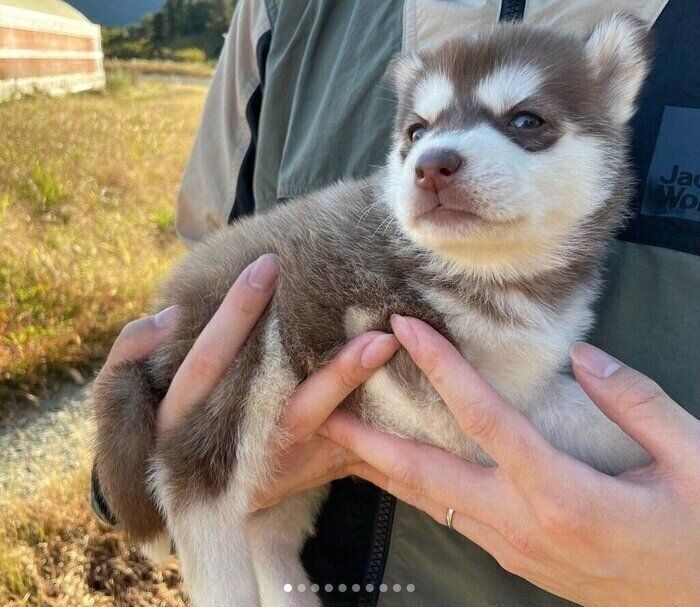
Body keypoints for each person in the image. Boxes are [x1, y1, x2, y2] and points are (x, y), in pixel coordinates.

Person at [92, 1, 700, 605]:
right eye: (416, 132)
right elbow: (202, 260)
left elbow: (524, 404)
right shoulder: (285, 12)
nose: (433, 160)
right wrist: (144, 451)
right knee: (226, 505)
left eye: (525, 123)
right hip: (302, 529)